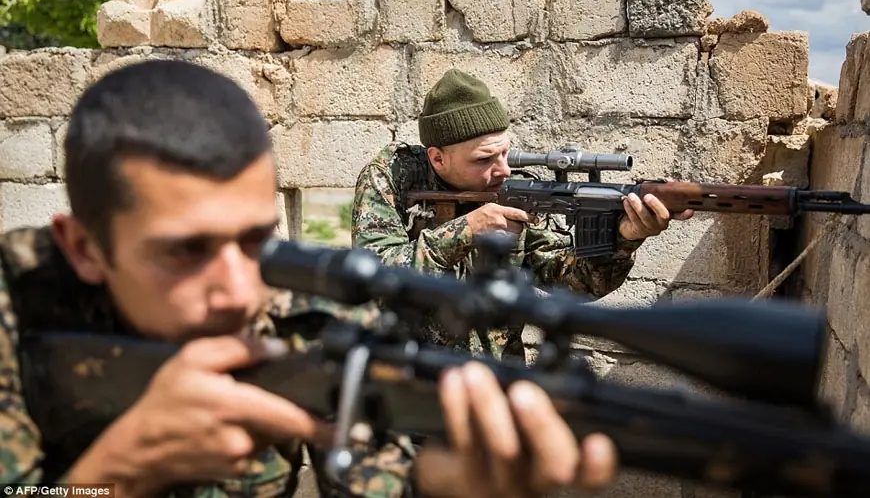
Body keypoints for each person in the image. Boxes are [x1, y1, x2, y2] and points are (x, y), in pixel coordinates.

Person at [0, 59, 620, 498]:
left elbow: (373, 469)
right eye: (185, 252)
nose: (241, 290)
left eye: (255, 240)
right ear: (83, 249)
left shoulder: (297, 309)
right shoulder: (16, 307)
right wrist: (114, 476)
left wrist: (455, 482)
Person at [351, 68, 693, 359]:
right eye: (484, 160)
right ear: (438, 158)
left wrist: (624, 238)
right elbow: (374, 278)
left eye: (506, 153)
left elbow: (576, 283)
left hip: (499, 378)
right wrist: (467, 228)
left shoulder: (513, 188)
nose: (503, 169)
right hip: (410, 376)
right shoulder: (392, 176)